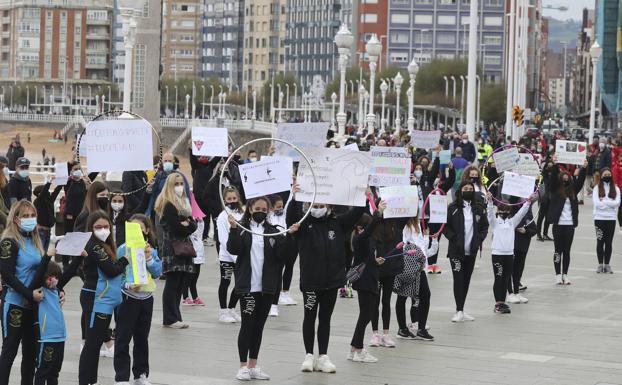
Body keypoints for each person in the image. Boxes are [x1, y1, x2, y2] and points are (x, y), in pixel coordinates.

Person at [287, 188, 365, 374]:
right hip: (311, 282)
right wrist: (296, 196)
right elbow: (291, 217)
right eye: (314, 205)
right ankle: (308, 355)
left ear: (328, 206)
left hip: (331, 282)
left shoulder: (337, 223)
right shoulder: (304, 223)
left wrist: (361, 192)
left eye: (321, 205)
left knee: (325, 318)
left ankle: (323, 356)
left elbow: (356, 213)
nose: (318, 208)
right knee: (309, 317)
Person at [227, 196, 297, 381]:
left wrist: (289, 235)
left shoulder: (273, 232)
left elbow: (283, 254)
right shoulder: (242, 229)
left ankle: (253, 364)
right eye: (257, 208)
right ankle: (242, 366)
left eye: (264, 210)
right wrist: (233, 229)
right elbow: (233, 249)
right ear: (250, 208)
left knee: (259, 326)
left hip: (266, 288)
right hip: (248, 287)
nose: (261, 212)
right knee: (247, 325)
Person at [78, 211, 129, 385]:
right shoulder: (95, 245)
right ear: (91, 229)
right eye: (98, 227)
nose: (103, 230)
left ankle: (91, 380)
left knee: (96, 341)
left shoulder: (103, 245)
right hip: (96, 299)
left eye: (106, 226)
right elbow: (111, 270)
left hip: (102, 298)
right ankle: (86, 381)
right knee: (92, 345)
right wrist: (124, 260)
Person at [0, 200, 47, 385]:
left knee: (31, 354)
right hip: (15, 305)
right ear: (16, 219)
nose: (30, 219)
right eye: (25, 216)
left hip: (34, 306)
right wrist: (29, 294)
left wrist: (58, 290)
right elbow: (7, 275)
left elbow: (42, 270)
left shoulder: (36, 241)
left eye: (32, 215)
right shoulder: (9, 242)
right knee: (9, 351)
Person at [114, 214, 162, 385]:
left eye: (140, 229)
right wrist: (127, 285)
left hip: (146, 298)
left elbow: (158, 272)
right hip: (128, 298)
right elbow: (116, 275)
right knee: (123, 337)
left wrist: (149, 257)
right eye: (133, 229)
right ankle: (121, 377)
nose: (137, 232)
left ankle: (141, 374)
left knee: (142, 338)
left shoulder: (152, 250)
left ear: (147, 231)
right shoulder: (122, 249)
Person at [31, 252, 84, 385]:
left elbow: (69, 273)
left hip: (60, 338)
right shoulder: (39, 290)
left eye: (55, 277)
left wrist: (79, 257)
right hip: (46, 338)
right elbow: (39, 275)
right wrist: (48, 256)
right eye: (50, 277)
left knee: (54, 372)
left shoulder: (56, 290)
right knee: (43, 370)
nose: (53, 280)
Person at [155, 173, 197, 329]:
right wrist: (185, 224)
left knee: (179, 284)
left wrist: (187, 224)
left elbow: (193, 225)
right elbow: (177, 229)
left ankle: (176, 316)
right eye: (176, 183)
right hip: (173, 249)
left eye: (181, 183)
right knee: (173, 284)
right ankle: (169, 318)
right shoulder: (169, 205)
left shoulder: (184, 204)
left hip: (182, 248)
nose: (179, 186)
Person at [443, 181, 489, 322]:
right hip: (456, 252)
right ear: (460, 191)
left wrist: (479, 239)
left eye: (470, 189)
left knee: (466, 280)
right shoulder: (452, 208)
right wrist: (454, 239)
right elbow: (446, 226)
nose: (468, 191)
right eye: (465, 189)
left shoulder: (479, 208)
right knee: (458, 279)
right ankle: (459, 310)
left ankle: (462, 309)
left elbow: (484, 227)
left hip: (472, 251)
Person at [348, 201, 386, 363]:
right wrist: (378, 213)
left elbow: (367, 258)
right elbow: (369, 230)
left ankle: (354, 349)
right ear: (361, 226)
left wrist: (376, 261)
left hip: (370, 278)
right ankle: (359, 350)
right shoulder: (360, 238)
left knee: (366, 315)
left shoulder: (366, 239)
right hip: (365, 281)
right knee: (366, 315)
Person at [486, 194, 532, 314]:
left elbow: (521, 213)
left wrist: (528, 202)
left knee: (506, 279)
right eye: (501, 210)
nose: (503, 212)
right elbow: (490, 214)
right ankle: (498, 304)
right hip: (497, 254)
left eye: (506, 210)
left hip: (509, 255)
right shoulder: (495, 222)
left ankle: (503, 302)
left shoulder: (512, 222)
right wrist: (490, 201)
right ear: (498, 210)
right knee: (499, 278)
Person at [396, 216, 438, 340]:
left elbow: (421, 245)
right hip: (408, 265)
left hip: (420, 265)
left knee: (424, 295)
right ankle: (403, 328)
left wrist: (427, 237)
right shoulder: (403, 223)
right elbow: (405, 244)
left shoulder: (418, 223)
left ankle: (420, 328)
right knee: (403, 295)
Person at [546, 160, 586, 285]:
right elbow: (552, 179)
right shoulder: (555, 189)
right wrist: (555, 165)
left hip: (569, 225)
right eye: (563, 177)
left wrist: (584, 168)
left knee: (567, 251)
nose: (565, 179)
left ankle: (565, 274)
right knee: (558, 250)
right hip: (558, 225)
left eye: (567, 177)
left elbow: (581, 181)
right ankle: (558, 274)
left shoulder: (573, 190)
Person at [216, 186, 244, 323]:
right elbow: (223, 239)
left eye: (234, 198)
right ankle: (223, 311)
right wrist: (235, 256)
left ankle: (232, 308)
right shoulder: (222, 217)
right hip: (227, 257)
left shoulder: (243, 214)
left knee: (240, 283)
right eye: (229, 199)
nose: (232, 201)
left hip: (240, 256)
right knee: (225, 282)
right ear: (224, 200)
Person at [507, 198, 537, 304]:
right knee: (509, 269)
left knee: (519, 269)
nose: (524, 200)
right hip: (511, 246)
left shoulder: (528, 213)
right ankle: (510, 292)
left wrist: (526, 231)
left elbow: (534, 229)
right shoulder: (510, 210)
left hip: (523, 247)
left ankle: (516, 292)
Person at [592, 168, 620, 273]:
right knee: (600, 242)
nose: (607, 176)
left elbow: (617, 203)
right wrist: (609, 203)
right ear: (601, 175)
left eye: (609, 174)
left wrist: (604, 202)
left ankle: (607, 264)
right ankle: (600, 264)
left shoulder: (616, 188)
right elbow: (597, 203)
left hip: (611, 219)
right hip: (599, 219)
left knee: (609, 242)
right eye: (605, 174)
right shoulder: (596, 188)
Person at [182, 192, 206, 306]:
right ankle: (185, 297)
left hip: (199, 252)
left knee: (195, 277)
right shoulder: (185, 220)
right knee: (188, 277)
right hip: (190, 252)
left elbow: (200, 233)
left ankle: (195, 296)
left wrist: (200, 220)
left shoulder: (198, 220)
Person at [62, 162, 99, 234]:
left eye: (79, 169)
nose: (78, 170)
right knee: (70, 238)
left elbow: (94, 173)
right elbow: (66, 167)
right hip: (70, 217)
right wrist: (73, 156)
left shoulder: (83, 182)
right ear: (70, 171)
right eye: (75, 169)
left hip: (82, 216)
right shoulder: (67, 182)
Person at [33, 180, 63, 250]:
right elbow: (43, 193)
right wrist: (49, 182)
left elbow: (56, 192)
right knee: (40, 251)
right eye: (47, 191)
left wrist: (61, 183)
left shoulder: (49, 200)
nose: (48, 192)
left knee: (45, 251)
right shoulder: (38, 201)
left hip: (48, 231)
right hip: (41, 231)